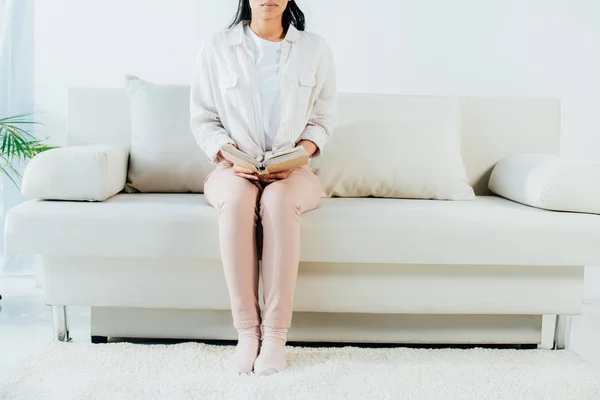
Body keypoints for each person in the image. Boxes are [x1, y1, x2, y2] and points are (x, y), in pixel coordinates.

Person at [190, 0, 337, 375]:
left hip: (293, 172)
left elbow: (322, 119)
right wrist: (233, 156)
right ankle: (247, 334)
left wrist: (295, 157)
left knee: (277, 203)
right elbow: (203, 119)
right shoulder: (216, 47)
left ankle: (274, 336)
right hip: (232, 168)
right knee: (239, 201)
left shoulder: (315, 49)